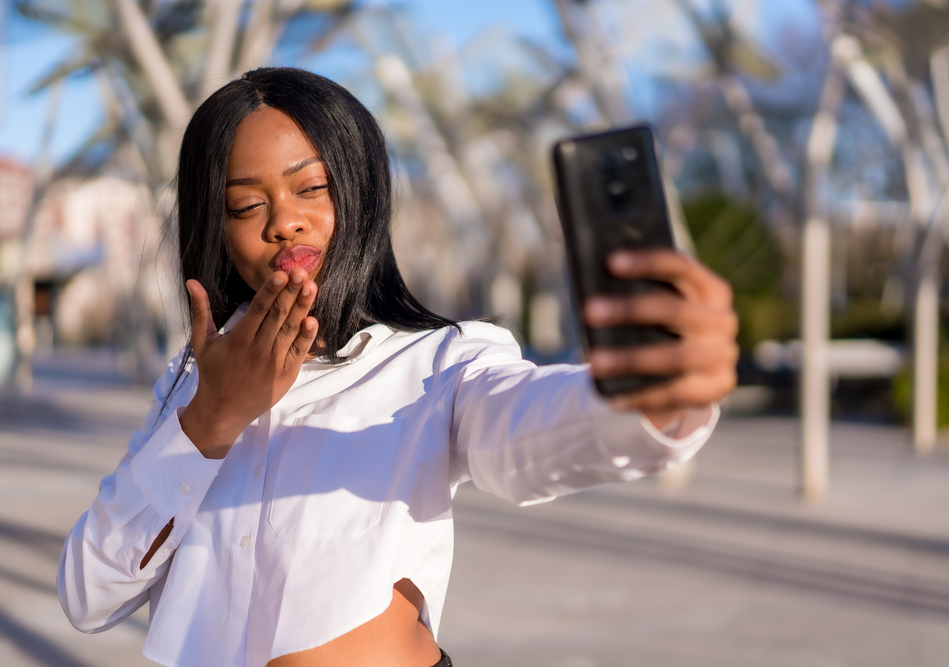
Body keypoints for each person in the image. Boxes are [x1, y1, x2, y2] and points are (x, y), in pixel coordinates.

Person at [57, 68, 738, 667]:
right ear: (218, 225)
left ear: (359, 194)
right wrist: (211, 419)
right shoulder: (190, 385)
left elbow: (528, 430)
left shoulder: (437, 362)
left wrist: (650, 396)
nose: (284, 222)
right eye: (247, 204)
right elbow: (88, 596)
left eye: (311, 188)